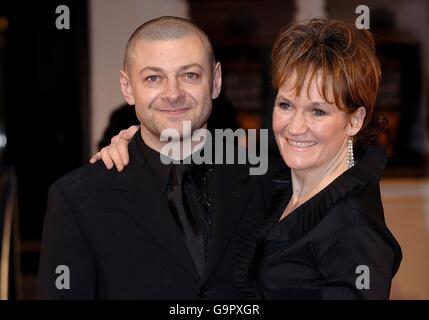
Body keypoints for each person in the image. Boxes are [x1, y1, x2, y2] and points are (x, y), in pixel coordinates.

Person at [95, 19, 402, 299]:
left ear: (355, 120)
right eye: (286, 105)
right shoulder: (282, 177)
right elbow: (210, 145)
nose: (295, 127)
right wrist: (134, 145)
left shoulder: (354, 228)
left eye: (318, 111)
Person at [37, 16, 270, 299]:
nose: (173, 94)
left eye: (190, 75)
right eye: (153, 78)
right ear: (127, 87)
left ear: (216, 81)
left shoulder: (268, 182)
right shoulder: (77, 199)